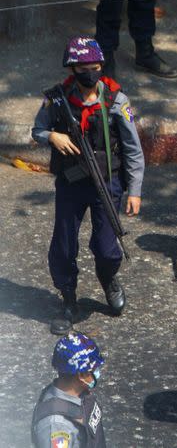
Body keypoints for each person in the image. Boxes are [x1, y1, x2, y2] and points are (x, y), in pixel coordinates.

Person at [32, 37, 144, 335]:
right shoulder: (56, 99)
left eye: (93, 66)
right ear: (72, 68)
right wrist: (52, 137)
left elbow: (133, 148)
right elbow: (37, 129)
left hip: (107, 183)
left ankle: (108, 279)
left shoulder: (116, 101)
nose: (88, 72)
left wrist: (134, 190)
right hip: (70, 184)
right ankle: (68, 299)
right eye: (81, 67)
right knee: (64, 244)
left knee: (109, 249)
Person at [32, 332, 107, 448]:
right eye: (94, 368)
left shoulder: (79, 394)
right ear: (81, 375)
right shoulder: (57, 425)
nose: (97, 371)